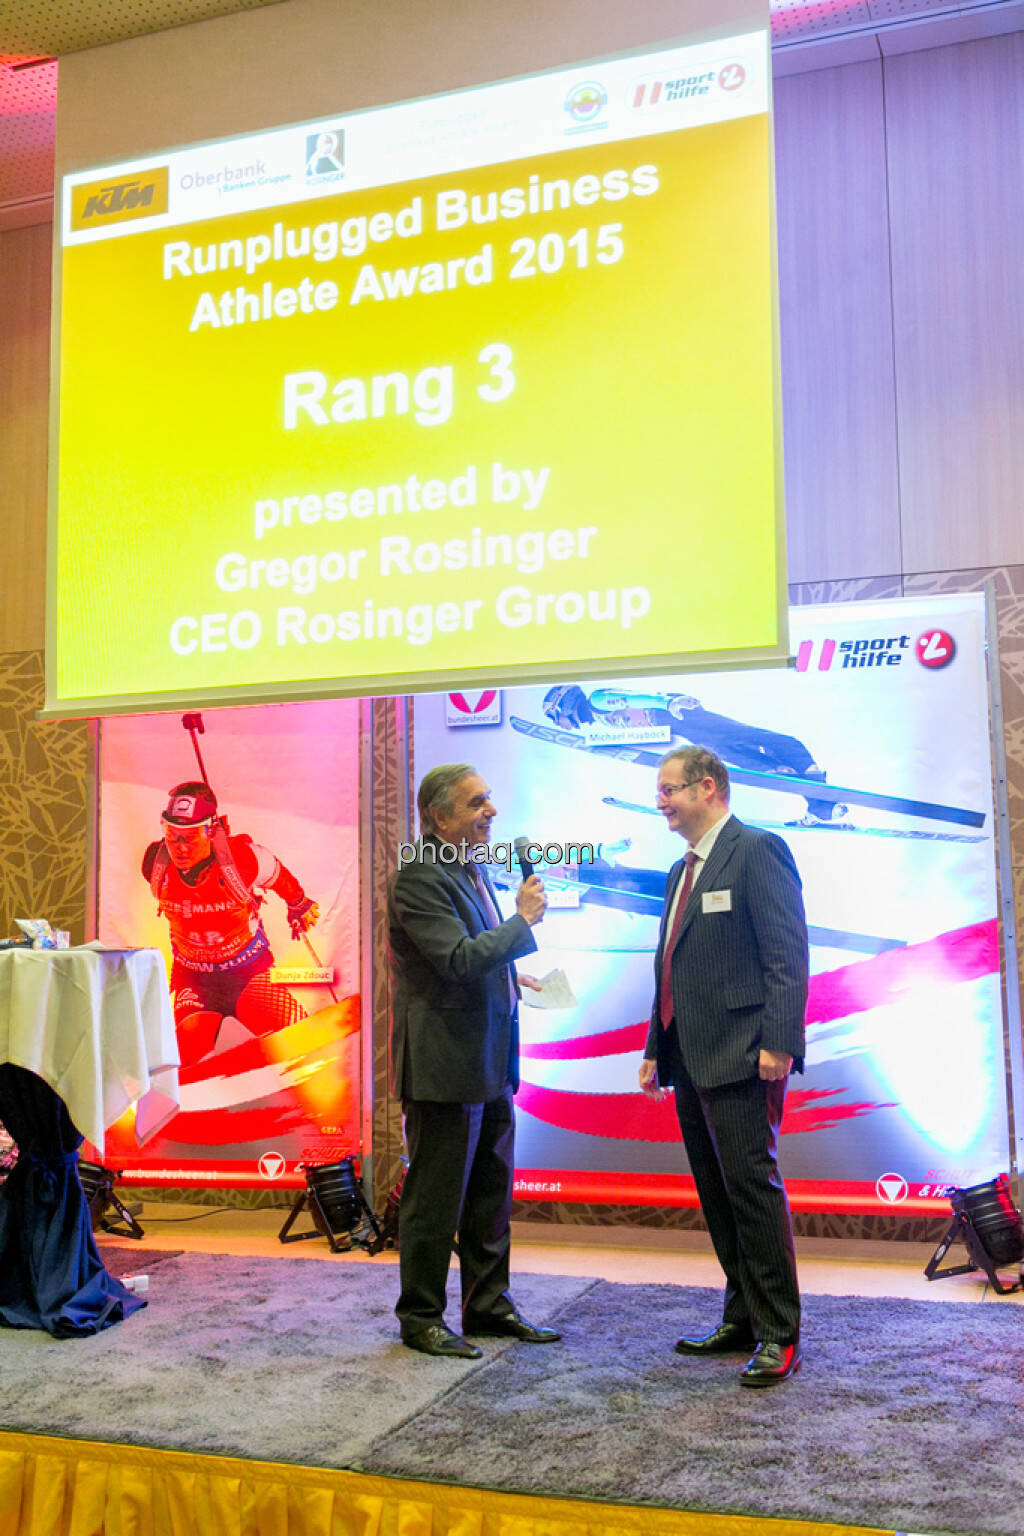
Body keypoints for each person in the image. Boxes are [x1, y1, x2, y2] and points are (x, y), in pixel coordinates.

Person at [639, 745, 808, 1387]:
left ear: (707, 787)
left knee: (751, 1192)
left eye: (669, 789)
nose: (660, 801)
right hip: (688, 1053)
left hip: (743, 1052)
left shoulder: (757, 850)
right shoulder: (678, 871)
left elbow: (787, 954)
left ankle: (779, 1334)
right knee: (718, 1194)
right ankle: (741, 1317)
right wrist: (654, 1046)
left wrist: (779, 1041)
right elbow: (669, 965)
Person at [388, 762, 560, 1359]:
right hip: (444, 1067)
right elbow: (456, 961)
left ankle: (488, 1306)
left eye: (488, 798)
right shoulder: (418, 874)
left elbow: (473, 959)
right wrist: (523, 921)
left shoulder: (468, 866)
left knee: (490, 1194)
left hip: (488, 1060)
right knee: (435, 1201)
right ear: (439, 817)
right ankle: (421, 1318)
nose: (491, 811)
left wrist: (513, 976)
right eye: (476, 802)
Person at [142, 781, 319, 1067]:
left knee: (304, 1044)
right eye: (172, 836)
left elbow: (276, 872)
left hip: (247, 973)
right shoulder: (155, 863)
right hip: (194, 980)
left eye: (190, 837)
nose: (180, 848)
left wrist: (299, 904)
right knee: (184, 1064)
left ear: (211, 831)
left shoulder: (242, 859)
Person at [542, 682, 845, 824]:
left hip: (679, 715)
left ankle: (811, 780)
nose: (558, 723)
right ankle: (818, 803)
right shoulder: (597, 721)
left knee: (746, 737)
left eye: (556, 717)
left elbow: (633, 698)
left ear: (563, 705)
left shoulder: (597, 701)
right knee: (736, 754)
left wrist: (667, 702)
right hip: (680, 726)